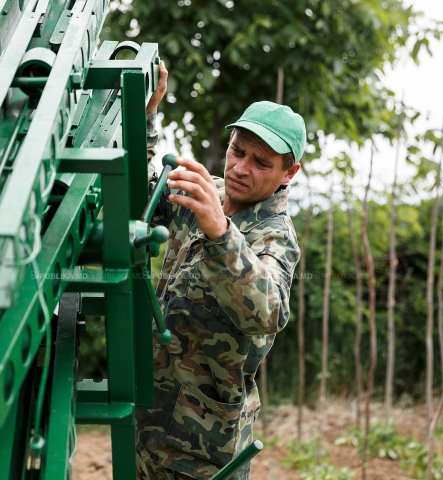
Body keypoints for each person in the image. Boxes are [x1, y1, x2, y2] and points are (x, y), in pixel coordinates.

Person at [136, 60, 304, 480]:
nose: (241, 168)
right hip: (147, 421)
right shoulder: (206, 192)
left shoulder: (275, 235)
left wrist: (221, 233)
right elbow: (136, 197)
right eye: (237, 151)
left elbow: (268, 312)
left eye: (261, 162)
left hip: (200, 449)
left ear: (290, 172)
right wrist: (145, 120)